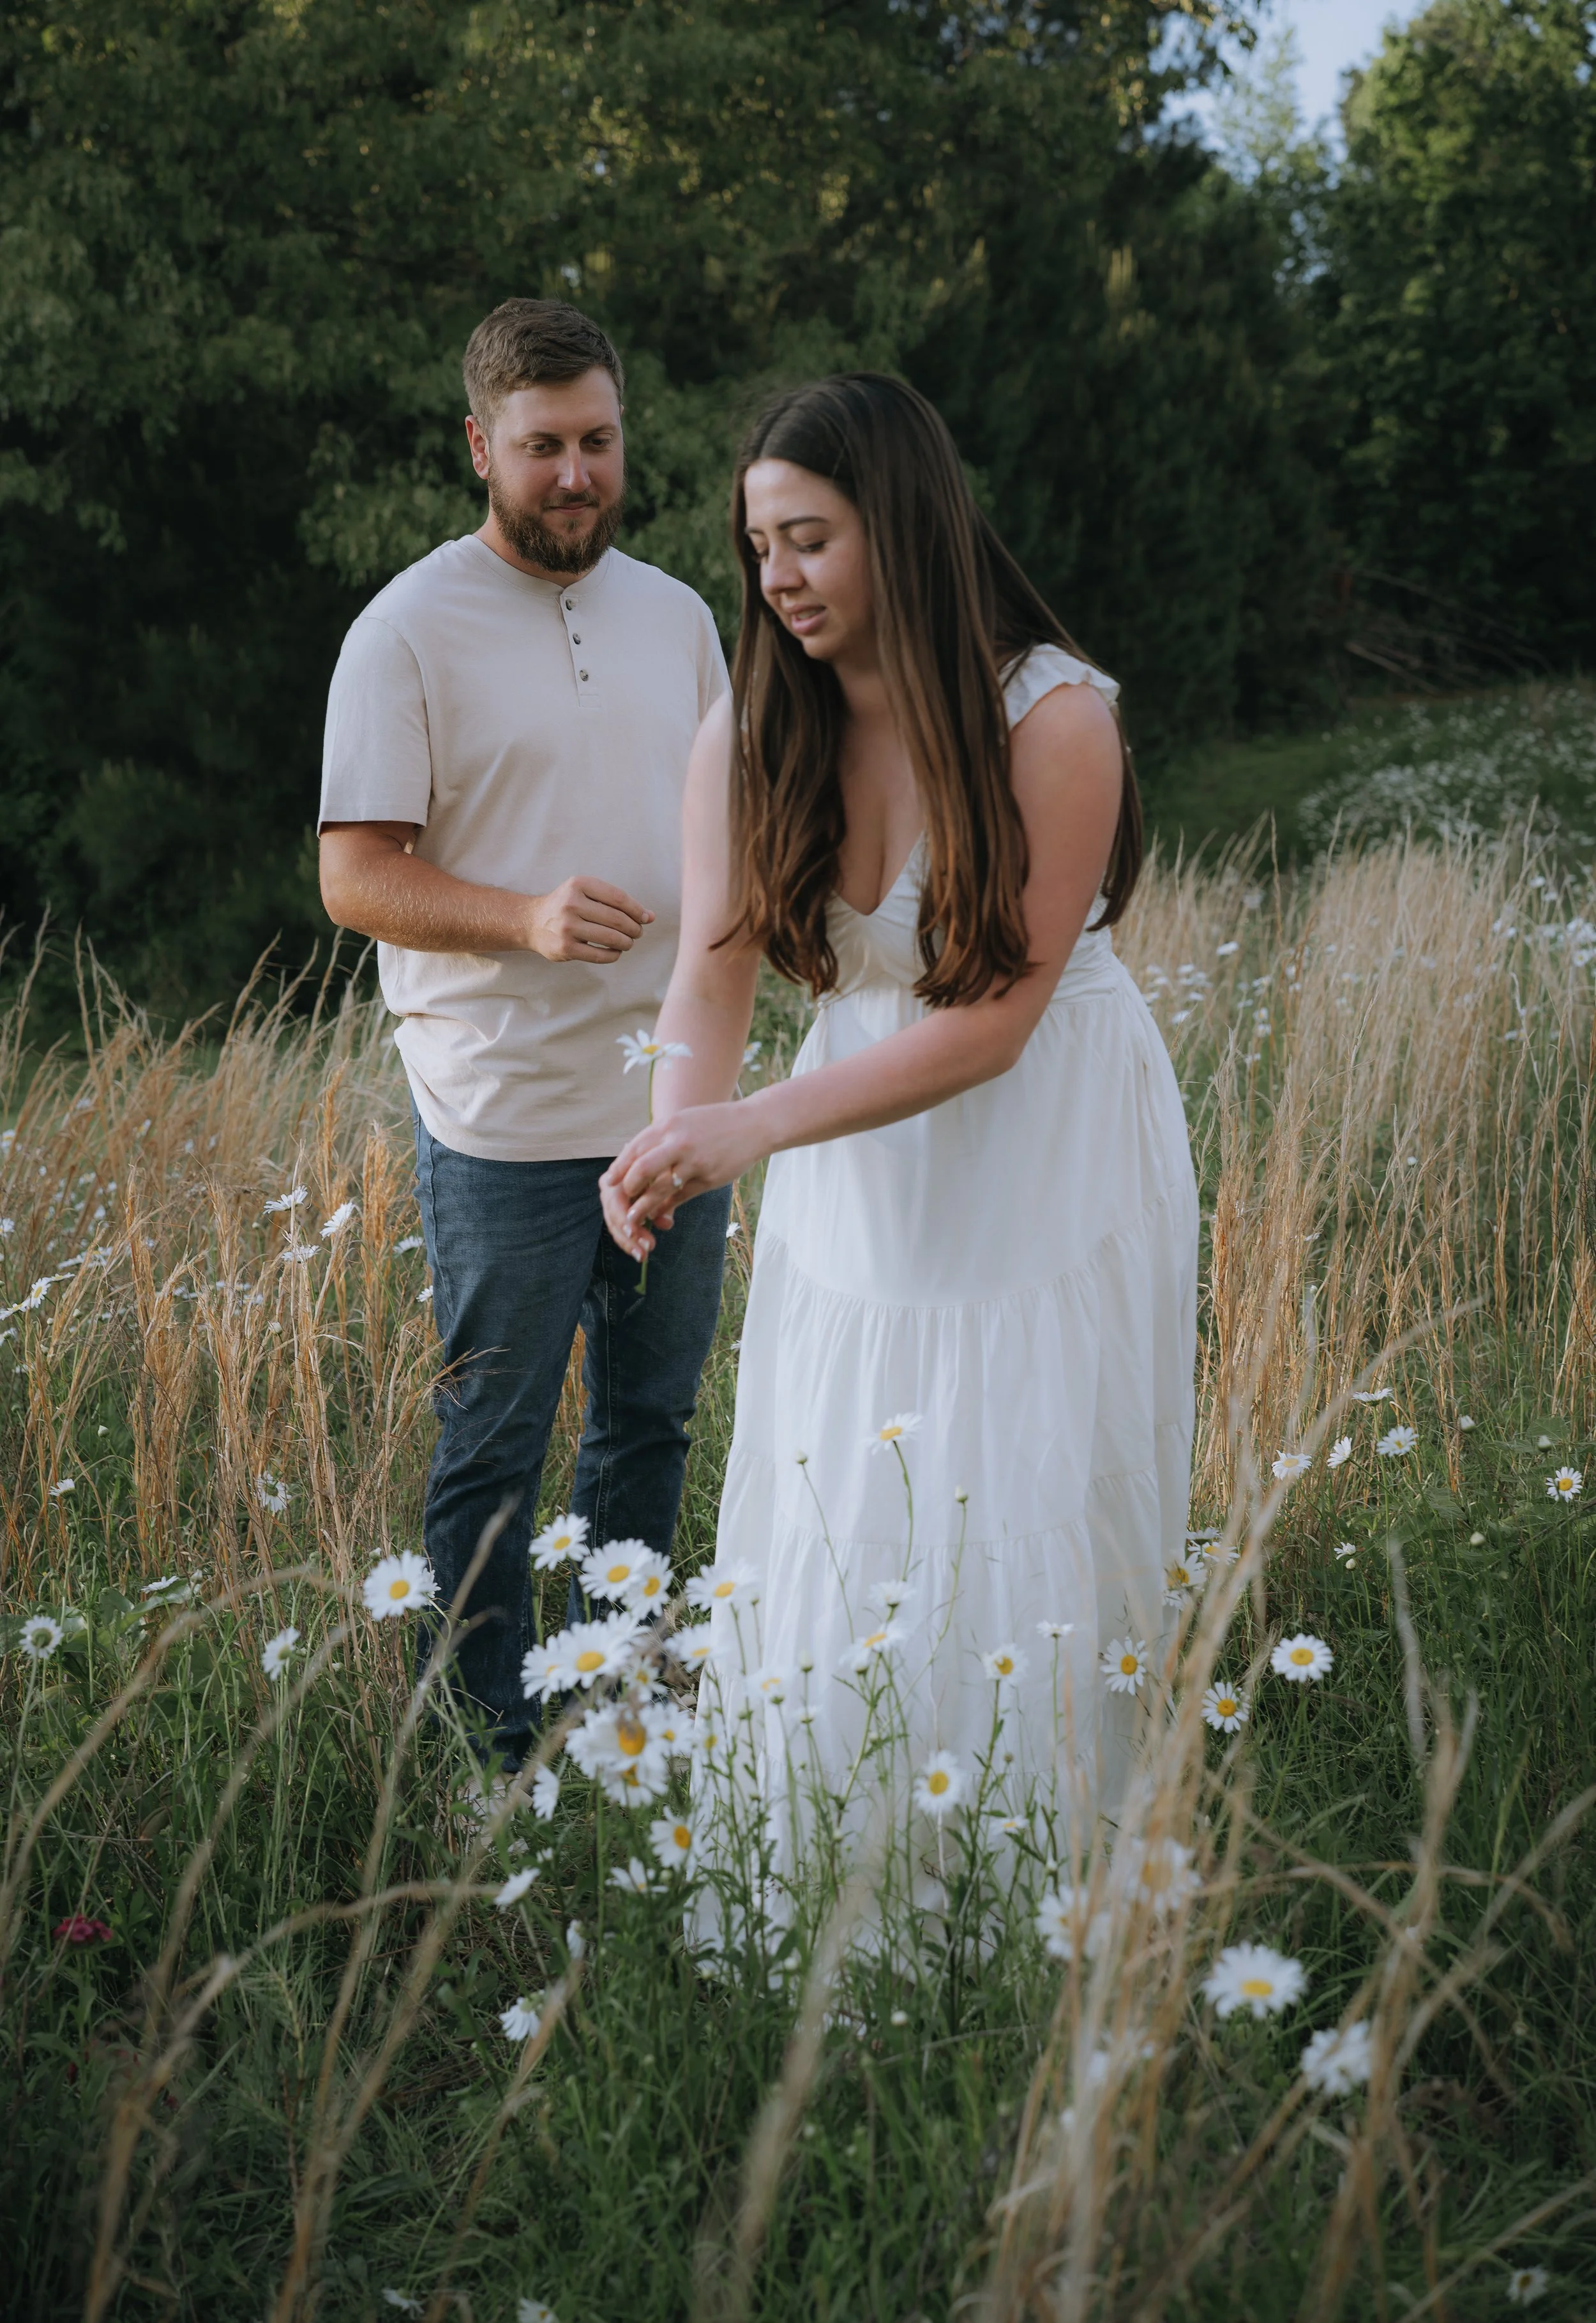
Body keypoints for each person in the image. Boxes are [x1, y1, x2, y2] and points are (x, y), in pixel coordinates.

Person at [599, 373, 1198, 1866]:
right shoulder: (750, 729)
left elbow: (993, 1022)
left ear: (905, 527)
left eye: (807, 538)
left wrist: (751, 1130)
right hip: (849, 1151)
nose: (775, 579)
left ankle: (1034, 1881)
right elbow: (711, 977)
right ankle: (832, 1860)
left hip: (1041, 1125)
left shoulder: (1050, 718)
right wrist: (679, 1132)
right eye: (757, 547)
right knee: (842, 1483)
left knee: (1023, 1476)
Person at [319, 299, 730, 1772]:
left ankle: (615, 1713)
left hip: (673, 1101)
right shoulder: (403, 630)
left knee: (651, 1424)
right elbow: (353, 875)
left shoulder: (681, 616)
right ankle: (486, 1746)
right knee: (493, 1446)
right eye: (543, 445)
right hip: (499, 1120)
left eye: (599, 441)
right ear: (479, 444)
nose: (576, 474)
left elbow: (729, 828)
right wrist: (523, 919)